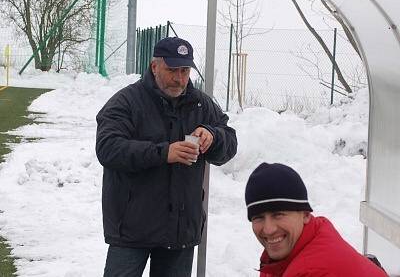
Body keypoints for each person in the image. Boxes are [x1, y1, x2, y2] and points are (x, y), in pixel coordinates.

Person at [96, 36, 237, 277]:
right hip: (132, 229)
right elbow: (108, 147)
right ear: (154, 66)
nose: (179, 78)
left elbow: (230, 142)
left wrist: (213, 136)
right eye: (172, 69)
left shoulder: (201, 105)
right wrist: (164, 153)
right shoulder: (127, 101)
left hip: (180, 231)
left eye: (184, 70)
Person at [245, 162, 388, 277]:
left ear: (306, 214)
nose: (269, 229)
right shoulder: (309, 236)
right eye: (258, 217)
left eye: (278, 214)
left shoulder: (314, 270)